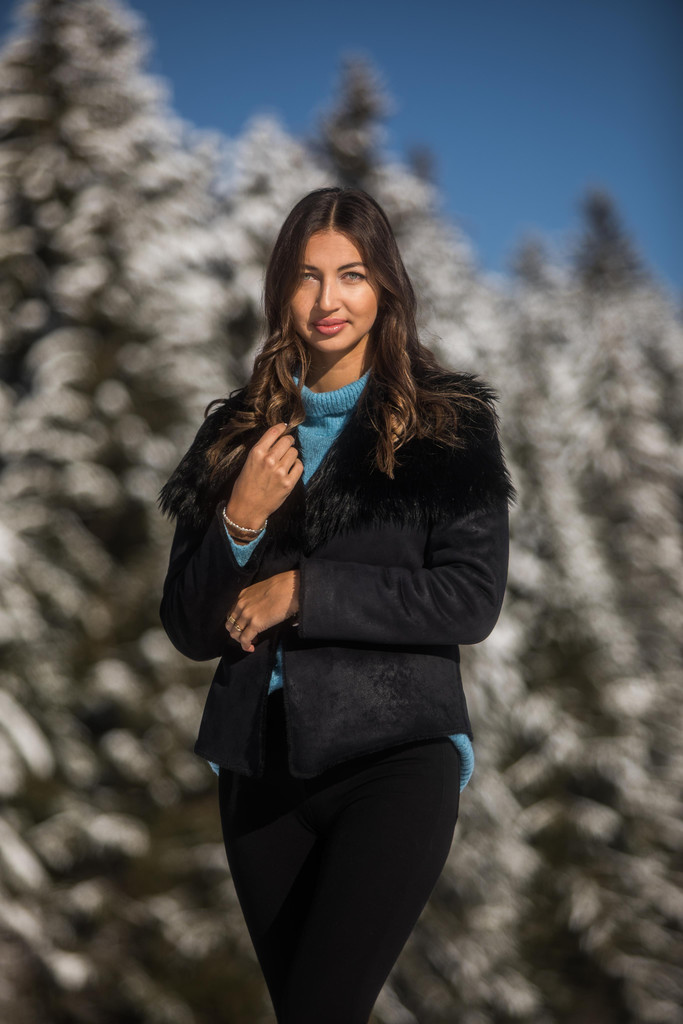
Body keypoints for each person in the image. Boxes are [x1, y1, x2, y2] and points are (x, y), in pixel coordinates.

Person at [158, 186, 514, 1024]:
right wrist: (240, 520)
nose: (328, 299)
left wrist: (304, 591)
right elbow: (189, 626)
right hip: (259, 769)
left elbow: (469, 598)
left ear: (384, 286)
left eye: (351, 274)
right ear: (280, 288)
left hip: (395, 757)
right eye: (306, 276)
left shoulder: (445, 422)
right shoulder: (233, 436)